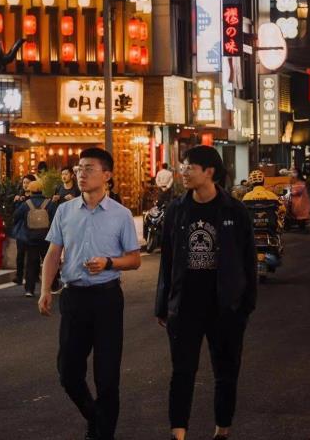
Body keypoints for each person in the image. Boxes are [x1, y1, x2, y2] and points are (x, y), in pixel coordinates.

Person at [39, 147, 141, 440]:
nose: (81, 174)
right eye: (79, 168)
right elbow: (52, 253)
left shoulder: (121, 215)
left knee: (107, 377)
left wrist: (110, 262)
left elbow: (134, 259)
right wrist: (46, 289)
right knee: (68, 372)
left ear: (106, 175)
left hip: (107, 299)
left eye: (89, 169)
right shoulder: (65, 210)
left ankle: (103, 434)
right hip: (74, 298)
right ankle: (96, 418)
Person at [156, 145, 256, 440]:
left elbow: (248, 261)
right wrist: (163, 305)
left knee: (225, 373)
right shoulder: (176, 209)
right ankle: (178, 433)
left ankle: (221, 430)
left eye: (190, 167)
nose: (183, 172)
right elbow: (168, 261)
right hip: (185, 306)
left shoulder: (234, 210)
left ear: (209, 172)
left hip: (225, 308)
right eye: (183, 167)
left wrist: (245, 305)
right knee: (182, 373)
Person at [13, 180, 57, 298]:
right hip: (47, 238)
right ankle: (53, 286)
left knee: (31, 264)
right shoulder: (49, 203)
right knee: (50, 261)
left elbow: (16, 217)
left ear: (31, 191)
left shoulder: (26, 204)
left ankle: (29, 289)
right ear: (42, 189)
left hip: (31, 238)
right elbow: (55, 220)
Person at [13, 174, 37, 285]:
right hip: (22, 230)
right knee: (20, 254)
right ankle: (19, 276)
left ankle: (34, 276)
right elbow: (15, 215)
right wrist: (16, 201)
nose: (25, 185)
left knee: (33, 255)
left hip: (34, 229)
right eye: (24, 182)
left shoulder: (36, 197)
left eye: (28, 182)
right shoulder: (19, 197)